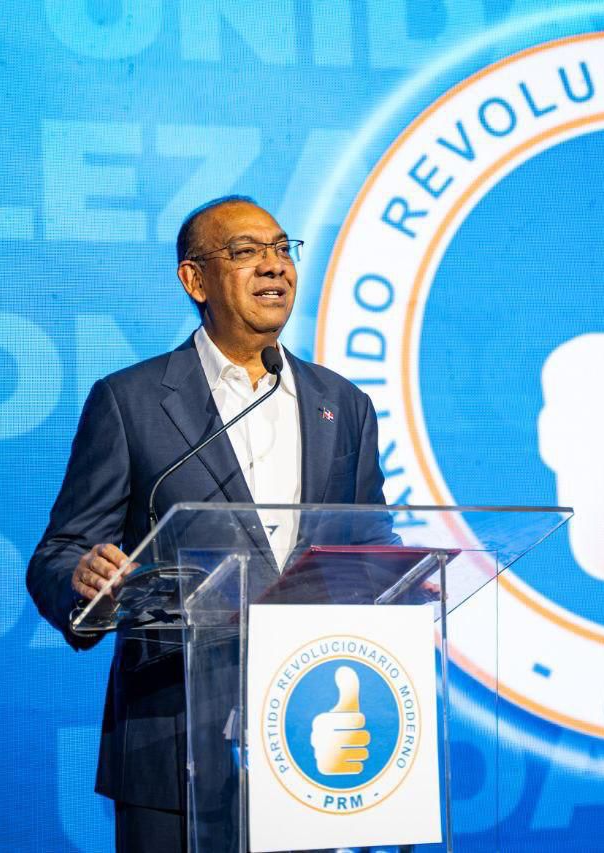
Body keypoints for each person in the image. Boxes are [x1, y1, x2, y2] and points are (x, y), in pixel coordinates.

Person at [26, 196, 388, 851]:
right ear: (195, 280)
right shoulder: (131, 401)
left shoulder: (344, 404)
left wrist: (398, 591)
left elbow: (369, 549)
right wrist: (83, 577)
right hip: (173, 738)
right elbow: (62, 549)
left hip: (308, 739)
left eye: (282, 249)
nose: (274, 266)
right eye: (246, 252)